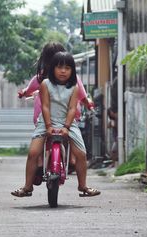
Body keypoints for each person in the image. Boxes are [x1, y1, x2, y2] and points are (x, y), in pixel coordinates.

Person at [11, 52, 100, 197]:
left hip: (68, 123)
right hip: (45, 122)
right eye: (59, 67)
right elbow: (45, 106)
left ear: (72, 71)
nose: (63, 71)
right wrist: (48, 126)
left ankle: (83, 186)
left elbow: (72, 109)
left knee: (81, 154)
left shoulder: (74, 88)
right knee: (33, 153)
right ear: (52, 69)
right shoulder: (45, 84)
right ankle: (27, 187)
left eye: (67, 68)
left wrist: (66, 127)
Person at [18, 42, 93, 176]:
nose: (62, 70)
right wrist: (88, 102)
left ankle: (40, 160)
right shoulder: (73, 79)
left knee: (39, 139)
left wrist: (23, 93)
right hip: (68, 117)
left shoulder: (40, 78)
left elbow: (29, 90)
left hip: (43, 116)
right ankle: (71, 158)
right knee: (71, 135)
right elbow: (82, 95)